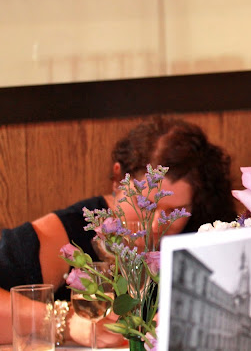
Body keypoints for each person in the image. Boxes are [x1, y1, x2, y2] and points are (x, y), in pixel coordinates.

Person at [0, 116, 237, 346]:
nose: (156, 225)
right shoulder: (66, 232)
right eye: (146, 205)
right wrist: (65, 321)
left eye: (174, 211)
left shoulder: (201, 233)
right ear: (117, 178)